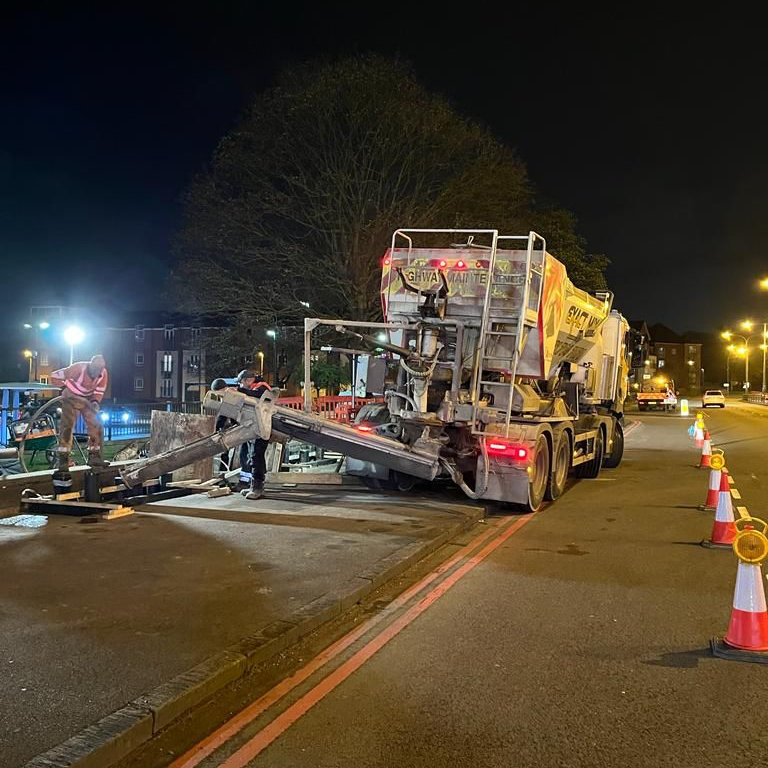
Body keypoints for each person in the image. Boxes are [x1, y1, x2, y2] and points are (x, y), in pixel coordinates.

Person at [50, 355, 109, 476]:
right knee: (67, 428)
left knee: (96, 426)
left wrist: (95, 402)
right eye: (95, 370)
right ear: (90, 365)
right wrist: (65, 389)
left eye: (99, 371)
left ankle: (94, 458)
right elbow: (54, 376)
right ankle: (63, 461)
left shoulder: (103, 374)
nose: (96, 374)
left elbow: (99, 391)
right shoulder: (77, 368)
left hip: (87, 400)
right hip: (71, 399)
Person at [235, 369, 272, 500]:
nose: (241, 386)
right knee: (253, 456)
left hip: (263, 426)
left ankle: (257, 487)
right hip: (258, 426)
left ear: (247, 380)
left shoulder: (261, 388)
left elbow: (255, 395)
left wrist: (239, 391)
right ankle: (254, 485)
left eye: (241, 383)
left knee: (257, 456)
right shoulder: (257, 388)